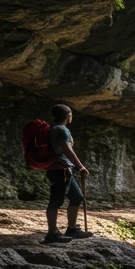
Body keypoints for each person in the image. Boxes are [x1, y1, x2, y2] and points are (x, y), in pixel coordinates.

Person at [44, 104, 93, 243]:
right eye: (70, 113)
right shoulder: (61, 129)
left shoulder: (55, 129)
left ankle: (72, 229)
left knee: (77, 197)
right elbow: (66, 149)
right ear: (68, 115)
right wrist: (80, 167)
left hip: (62, 169)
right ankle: (52, 233)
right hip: (60, 169)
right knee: (56, 201)